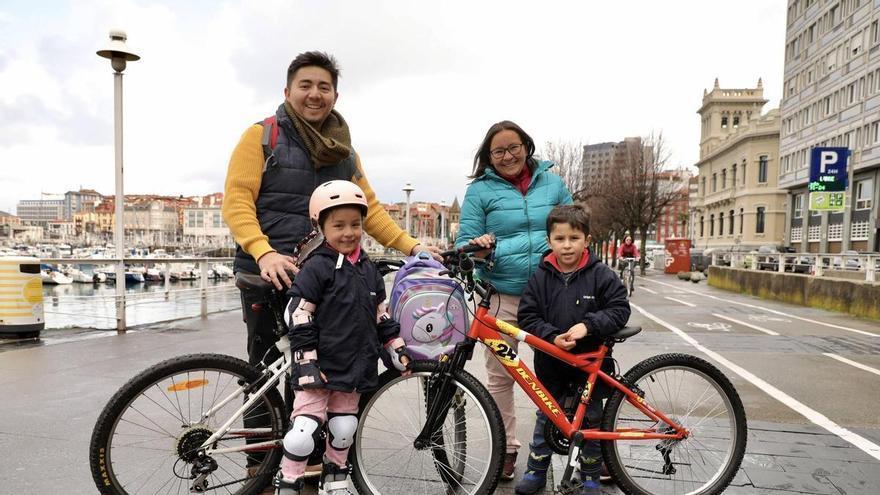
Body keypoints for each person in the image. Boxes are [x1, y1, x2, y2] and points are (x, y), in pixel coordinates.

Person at [222, 50, 437, 486]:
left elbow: (369, 211)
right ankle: (260, 465)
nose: (314, 94)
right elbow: (237, 201)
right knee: (265, 368)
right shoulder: (261, 136)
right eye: (306, 85)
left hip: (322, 275)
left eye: (324, 86)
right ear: (288, 91)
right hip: (270, 271)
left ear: (335, 94)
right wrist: (263, 252)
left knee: (317, 364)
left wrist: (413, 247)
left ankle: (309, 458)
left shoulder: (344, 150)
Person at [275, 181, 411, 495]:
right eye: (338, 225)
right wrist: (306, 362)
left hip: (355, 365)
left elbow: (382, 316)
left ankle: (334, 479)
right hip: (320, 365)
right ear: (321, 227)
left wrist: (396, 347)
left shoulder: (368, 270)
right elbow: (298, 314)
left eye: (355, 224)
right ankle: (290, 480)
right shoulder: (316, 267)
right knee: (303, 431)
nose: (348, 232)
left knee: (344, 428)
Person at [456, 120, 572, 480]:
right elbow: (465, 243)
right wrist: (479, 249)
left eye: (514, 147)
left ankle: (578, 444)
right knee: (501, 376)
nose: (508, 156)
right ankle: (506, 449)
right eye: (499, 151)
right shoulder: (480, 192)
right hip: (501, 294)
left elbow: (574, 225)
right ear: (488, 157)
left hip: (551, 292)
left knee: (564, 371)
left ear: (527, 146)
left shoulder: (552, 182)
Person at [515, 204, 631, 495]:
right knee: (545, 417)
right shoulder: (540, 276)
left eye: (574, 238)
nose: (567, 245)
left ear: (587, 240)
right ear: (549, 240)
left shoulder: (601, 274)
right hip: (551, 364)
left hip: (588, 366)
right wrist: (552, 337)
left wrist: (588, 326)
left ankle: (591, 474)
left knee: (591, 420)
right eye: (560, 239)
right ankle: (536, 470)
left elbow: (619, 309)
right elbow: (528, 317)